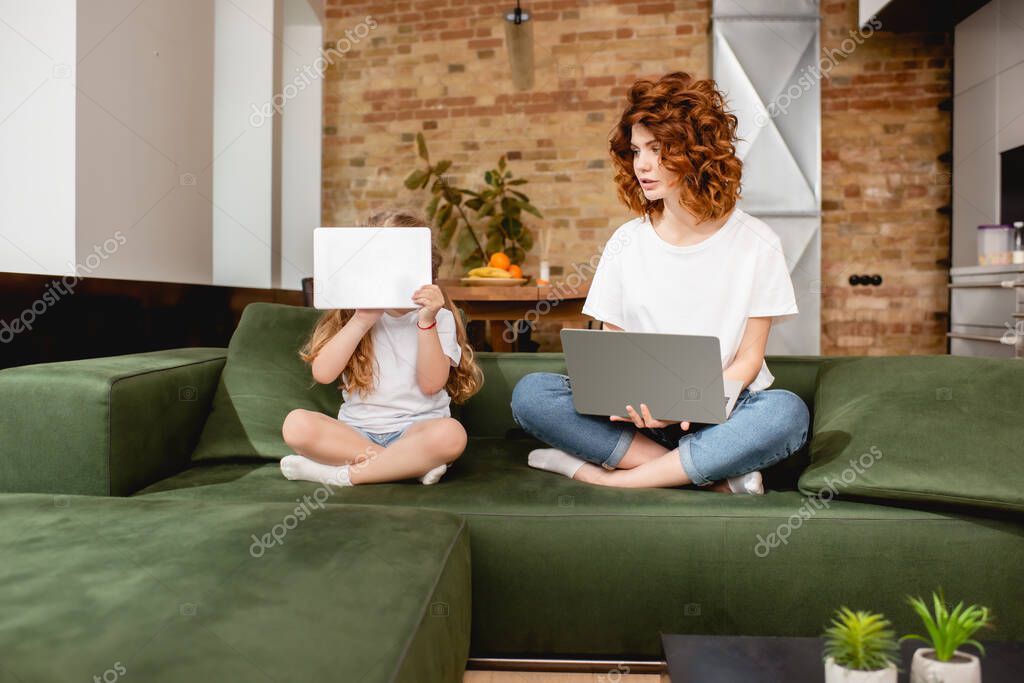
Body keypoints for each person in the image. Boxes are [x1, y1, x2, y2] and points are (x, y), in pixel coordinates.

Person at [510, 72, 810, 494]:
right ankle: (706, 476)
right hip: (637, 421)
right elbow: (612, 354)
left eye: (658, 149)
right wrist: (631, 401)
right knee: (532, 394)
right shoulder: (625, 242)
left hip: (722, 413)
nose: (642, 165)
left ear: (696, 153)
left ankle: (609, 478)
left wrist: (686, 404)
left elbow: (748, 360)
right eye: (636, 151)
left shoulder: (757, 244)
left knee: (786, 414)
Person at [279, 210, 483, 487]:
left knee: (452, 435)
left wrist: (426, 323)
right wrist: (362, 320)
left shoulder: (439, 318)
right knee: (296, 425)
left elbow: (432, 384)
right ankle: (404, 465)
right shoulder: (354, 313)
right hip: (356, 434)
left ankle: (341, 475)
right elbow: (323, 374)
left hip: (416, 431)